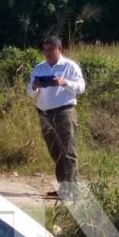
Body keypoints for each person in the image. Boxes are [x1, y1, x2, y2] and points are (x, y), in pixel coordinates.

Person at [27, 36, 86, 200]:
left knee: (68, 150)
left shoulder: (70, 66)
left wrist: (64, 82)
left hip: (64, 111)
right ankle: (63, 187)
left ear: (59, 49)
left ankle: (72, 190)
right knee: (55, 151)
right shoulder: (39, 68)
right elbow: (30, 92)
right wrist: (34, 87)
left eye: (50, 49)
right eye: (45, 49)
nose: (47, 53)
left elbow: (81, 87)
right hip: (44, 113)